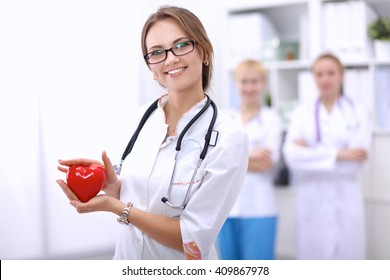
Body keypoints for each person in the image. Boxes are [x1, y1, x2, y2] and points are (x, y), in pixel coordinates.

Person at [56, 6, 248, 260]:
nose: (170, 59)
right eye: (157, 52)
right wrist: (113, 186)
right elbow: (141, 196)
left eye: (181, 45)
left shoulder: (228, 137)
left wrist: (117, 207)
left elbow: (191, 239)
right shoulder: (143, 117)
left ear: (205, 53)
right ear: (151, 66)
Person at [283, 53, 371, 259]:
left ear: (341, 75)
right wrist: (339, 154)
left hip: (346, 196)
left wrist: (312, 154)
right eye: (319, 74)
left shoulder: (357, 112)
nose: (325, 79)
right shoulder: (302, 112)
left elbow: (356, 163)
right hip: (313, 198)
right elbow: (292, 157)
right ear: (314, 77)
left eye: (331, 73)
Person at [218, 60, 282, 260]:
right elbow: (213, 159)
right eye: (243, 81)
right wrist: (252, 155)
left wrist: (231, 157)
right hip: (225, 209)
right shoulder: (224, 119)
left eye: (254, 81)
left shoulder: (272, 119)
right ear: (235, 83)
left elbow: (267, 162)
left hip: (260, 208)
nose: (249, 87)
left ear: (263, 83)